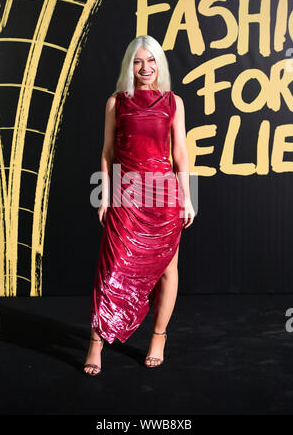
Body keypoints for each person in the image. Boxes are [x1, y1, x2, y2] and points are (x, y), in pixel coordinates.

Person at [84, 35, 195, 375]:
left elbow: (180, 154)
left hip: (163, 195)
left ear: (159, 65)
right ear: (129, 66)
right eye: (138, 61)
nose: (145, 68)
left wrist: (187, 198)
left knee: (166, 270)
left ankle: (158, 337)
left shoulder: (173, 102)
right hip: (127, 193)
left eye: (151, 61)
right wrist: (104, 193)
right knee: (111, 270)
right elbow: (107, 152)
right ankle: (96, 342)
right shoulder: (116, 102)